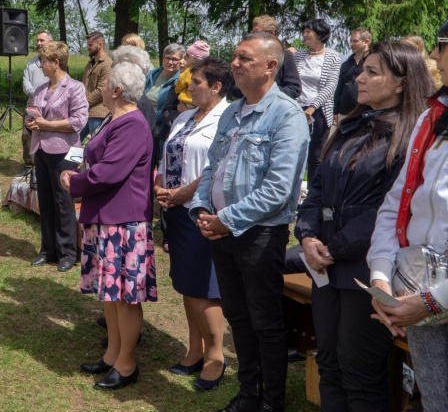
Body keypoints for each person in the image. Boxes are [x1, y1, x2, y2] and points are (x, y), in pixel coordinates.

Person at [296, 42, 431, 411]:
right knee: (329, 362)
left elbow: (387, 211)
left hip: (369, 270)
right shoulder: (351, 123)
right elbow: (318, 185)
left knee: (360, 370)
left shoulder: (411, 137)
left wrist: (334, 247)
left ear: (402, 82)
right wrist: (307, 235)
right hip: (324, 262)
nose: (360, 77)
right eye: (363, 69)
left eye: (373, 72)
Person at [190, 32, 309, 412]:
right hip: (221, 231)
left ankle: (271, 402)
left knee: (265, 322)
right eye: (235, 57)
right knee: (238, 318)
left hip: (259, 234)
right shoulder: (231, 111)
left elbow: (277, 190)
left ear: (271, 67)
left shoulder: (287, 116)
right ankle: (248, 394)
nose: (235, 63)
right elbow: (212, 169)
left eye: (245, 58)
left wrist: (225, 219)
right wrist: (200, 210)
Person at [60, 60, 155, 390]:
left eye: (105, 83)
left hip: (123, 221)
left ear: (116, 90)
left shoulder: (131, 124)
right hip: (106, 217)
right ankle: (113, 354)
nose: (100, 87)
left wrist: (74, 183)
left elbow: (109, 172)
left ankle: (127, 364)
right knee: (111, 292)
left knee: (127, 297)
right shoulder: (117, 119)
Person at [368, 21, 448, 412]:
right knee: (435, 401)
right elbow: (396, 203)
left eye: (441, 46)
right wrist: (381, 277)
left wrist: (436, 301)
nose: (433, 56)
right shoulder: (430, 119)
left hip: (432, 298)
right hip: (418, 293)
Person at [156, 58, 232, 391]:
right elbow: (166, 154)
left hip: (200, 211)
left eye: (197, 81)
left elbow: (218, 168)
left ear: (216, 86)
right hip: (174, 210)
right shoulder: (185, 116)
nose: (190, 87)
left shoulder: (226, 119)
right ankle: (195, 349)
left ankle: (216, 357)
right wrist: (160, 186)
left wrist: (182, 193)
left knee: (204, 288)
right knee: (186, 285)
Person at [27, 41, 88, 272]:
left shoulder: (75, 87)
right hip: (41, 150)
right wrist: (31, 122)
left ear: (56, 63)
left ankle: (68, 253)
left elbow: (78, 121)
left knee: (64, 203)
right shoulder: (40, 89)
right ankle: (48, 250)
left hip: (65, 152)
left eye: (44, 61)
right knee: (46, 201)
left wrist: (47, 124)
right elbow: (32, 116)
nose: (40, 65)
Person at [294, 18, 341, 178]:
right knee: (295, 154)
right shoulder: (298, 57)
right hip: (297, 110)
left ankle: (313, 198)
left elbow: (330, 86)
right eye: (304, 31)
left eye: (308, 32)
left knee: (316, 156)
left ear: (320, 34)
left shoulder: (332, 57)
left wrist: (312, 107)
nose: (304, 35)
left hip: (319, 112)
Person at [19, 30, 53, 175]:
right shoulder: (31, 63)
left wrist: (41, 96)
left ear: (50, 42)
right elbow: (25, 82)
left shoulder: (55, 63)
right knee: (27, 135)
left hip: (48, 105)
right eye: (37, 40)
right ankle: (28, 166)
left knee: (46, 136)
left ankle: (43, 167)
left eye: (42, 40)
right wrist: (34, 93)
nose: (38, 43)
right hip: (31, 105)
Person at [160, 41, 211, 129]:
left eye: (185, 57)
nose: (182, 62)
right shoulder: (184, 75)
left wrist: (187, 113)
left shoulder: (186, 74)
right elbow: (167, 111)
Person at [250, 15, 302, 99]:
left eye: (257, 33)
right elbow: (234, 88)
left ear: (271, 33)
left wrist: (265, 94)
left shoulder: (285, 56)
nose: (253, 37)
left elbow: (294, 88)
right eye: (253, 33)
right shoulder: (248, 56)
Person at [332, 27, 372, 125]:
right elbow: (339, 88)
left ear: (366, 42)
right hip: (344, 113)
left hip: (364, 113)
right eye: (350, 41)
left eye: (355, 41)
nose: (351, 44)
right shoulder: (346, 64)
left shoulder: (373, 63)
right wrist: (335, 111)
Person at [80, 31, 112, 141]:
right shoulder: (89, 64)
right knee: (74, 141)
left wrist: (83, 103)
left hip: (99, 113)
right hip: (84, 112)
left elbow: (101, 90)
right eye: (87, 44)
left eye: (90, 45)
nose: (88, 47)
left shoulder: (108, 64)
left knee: (96, 144)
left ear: (100, 45)